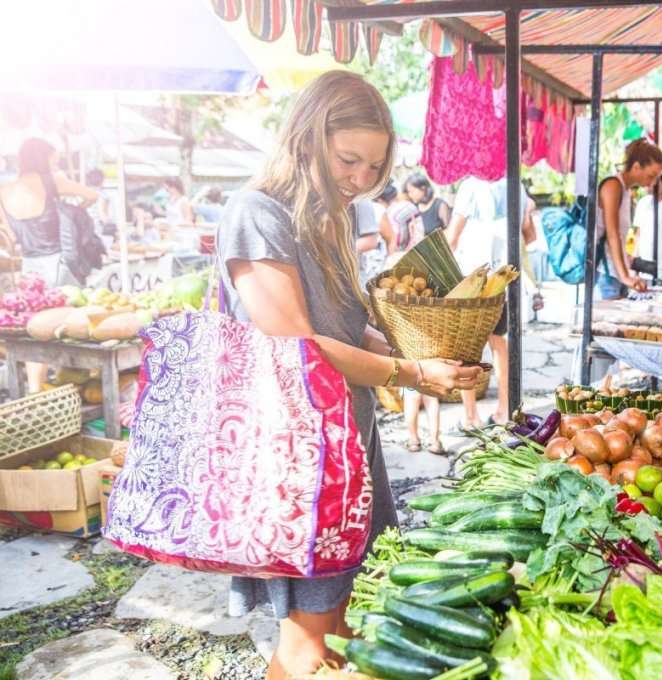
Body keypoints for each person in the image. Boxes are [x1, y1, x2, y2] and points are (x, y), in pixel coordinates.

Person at [216, 71, 481, 679]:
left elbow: (341, 326)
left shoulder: (333, 219)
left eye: (374, 168)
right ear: (307, 137)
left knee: (342, 626)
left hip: (349, 445)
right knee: (308, 643)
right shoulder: (255, 212)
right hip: (299, 460)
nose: (360, 180)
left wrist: (419, 344)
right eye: (348, 161)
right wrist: (411, 371)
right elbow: (295, 343)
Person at [447, 176, 533, 427]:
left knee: (466, 349)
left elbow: (453, 236)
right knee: (499, 344)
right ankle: (504, 409)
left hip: (472, 278)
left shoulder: (471, 185)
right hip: (502, 278)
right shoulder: (516, 185)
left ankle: (471, 416)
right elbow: (527, 232)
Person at [0, 138, 98, 287]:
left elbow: (11, 237)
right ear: (42, 159)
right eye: (53, 161)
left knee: (38, 307)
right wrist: (73, 213)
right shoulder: (52, 181)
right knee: (69, 308)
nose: (55, 166)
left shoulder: (4, 190)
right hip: (60, 264)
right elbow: (92, 195)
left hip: (28, 268)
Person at [595, 139, 662, 299]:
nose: (653, 182)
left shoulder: (626, 191)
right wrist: (625, 275)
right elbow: (613, 235)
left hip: (616, 273)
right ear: (636, 167)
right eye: (651, 175)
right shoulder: (613, 186)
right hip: (606, 273)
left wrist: (627, 271)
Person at [405, 172, 451, 237]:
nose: (410, 195)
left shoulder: (440, 205)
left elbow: (450, 231)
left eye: (412, 191)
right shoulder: (414, 208)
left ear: (423, 188)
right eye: (408, 192)